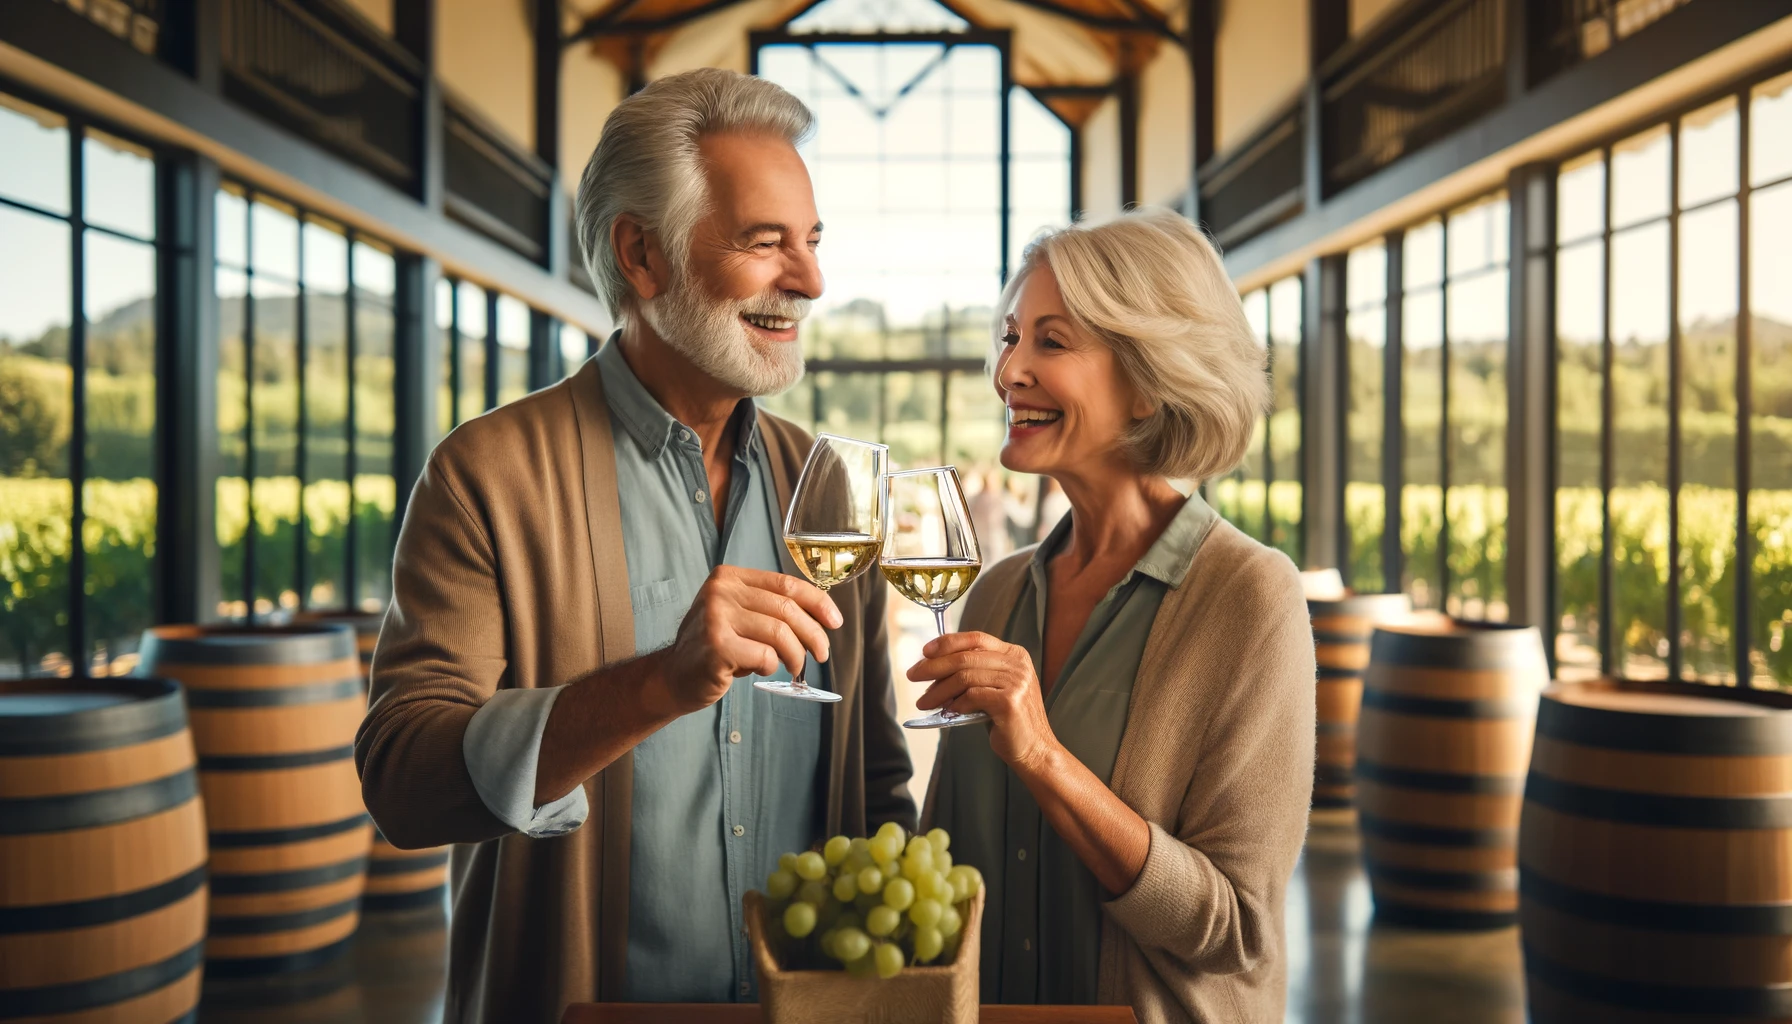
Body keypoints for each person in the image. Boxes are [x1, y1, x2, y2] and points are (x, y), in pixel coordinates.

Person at [356, 69, 915, 1024]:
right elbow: (405, 779)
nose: (812, 281)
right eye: (765, 240)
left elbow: (874, 779)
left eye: (812, 241)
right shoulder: (485, 474)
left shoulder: (827, 490)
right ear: (642, 256)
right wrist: (657, 684)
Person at [915, 208, 1315, 1024]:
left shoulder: (1251, 599)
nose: (1009, 372)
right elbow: (942, 868)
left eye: (1051, 343)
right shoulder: (996, 593)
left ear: (1146, 384)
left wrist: (1041, 755)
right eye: (1010, 337)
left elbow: (1234, 929)